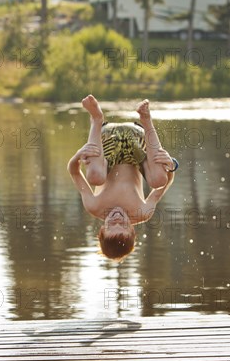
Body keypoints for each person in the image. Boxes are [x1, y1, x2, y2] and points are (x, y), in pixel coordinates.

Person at [67, 95, 177, 262]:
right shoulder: (143, 212)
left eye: (112, 225)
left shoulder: (94, 206)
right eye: (123, 225)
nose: (117, 219)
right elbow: (164, 185)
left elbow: (74, 172)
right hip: (136, 141)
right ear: (132, 230)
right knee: (158, 180)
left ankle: (96, 118)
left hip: (106, 141)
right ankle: (146, 119)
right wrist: (170, 165)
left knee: (95, 177)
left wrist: (78, 155)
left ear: (102, 229)